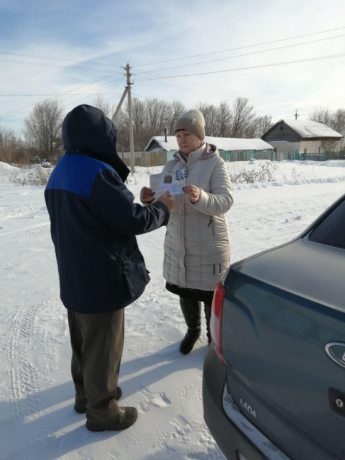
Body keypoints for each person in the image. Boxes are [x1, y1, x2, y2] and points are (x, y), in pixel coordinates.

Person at [45, 105, 174, 432]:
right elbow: (129, 219)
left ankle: (84, 395)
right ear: (100, 137)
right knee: (104, 344)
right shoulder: (96, 172)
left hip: (73, 274)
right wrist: (162, 208)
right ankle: (102, 411)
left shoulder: (60, 170)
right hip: (100, 275)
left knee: (83, 340)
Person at [141, 109, 233, 354]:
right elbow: (166, 199)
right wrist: (150, 199)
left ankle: (214, 339)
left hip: (208, 242)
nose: (181, 140)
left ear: (200, 136)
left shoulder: (215, 163)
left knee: (208, 294)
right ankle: (193, 331)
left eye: (187, 134)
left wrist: (200, 197)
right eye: (178, 135)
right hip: (178, 240)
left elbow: (225, 201)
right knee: (186, 292)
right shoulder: (172, 164)